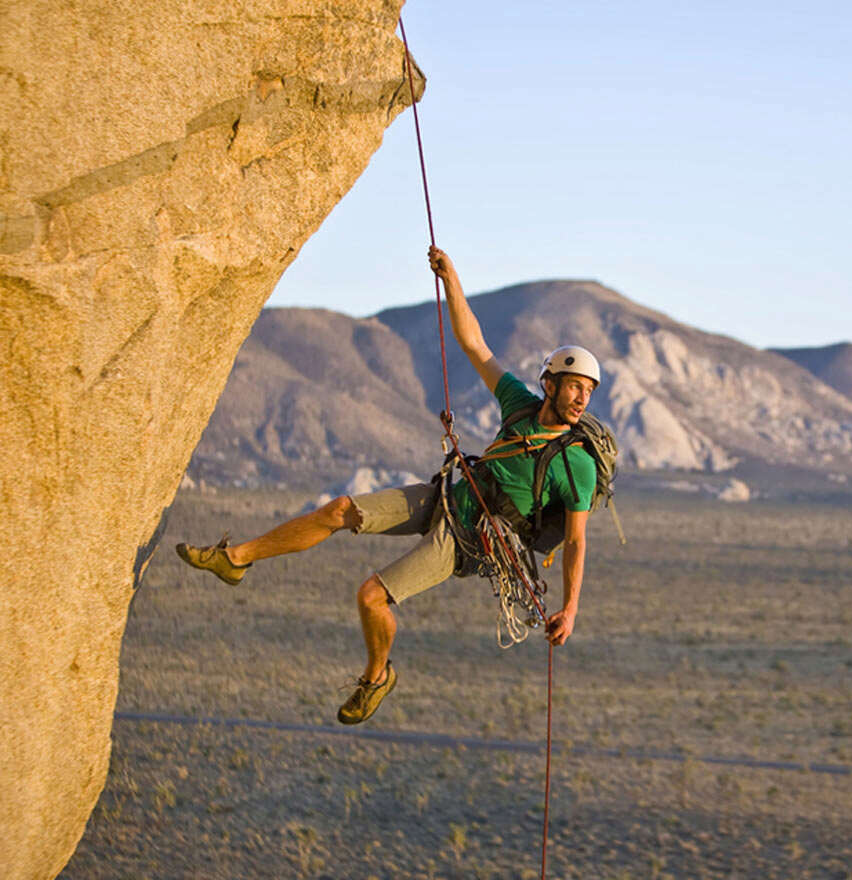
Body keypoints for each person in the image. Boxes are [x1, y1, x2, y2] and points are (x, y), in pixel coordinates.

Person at [176, 246, 599, 725]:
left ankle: (377, 678)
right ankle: (235, 560)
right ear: (550, 383)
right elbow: (476, 346)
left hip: (468, 540)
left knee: (370, 596)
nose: (582, 398)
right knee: (339, 509)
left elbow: (577, 541)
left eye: (588, 391)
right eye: (574, 386)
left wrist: (570, 609)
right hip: (447, 497)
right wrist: (452, 280)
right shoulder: (519, 404)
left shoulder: (576, 464)